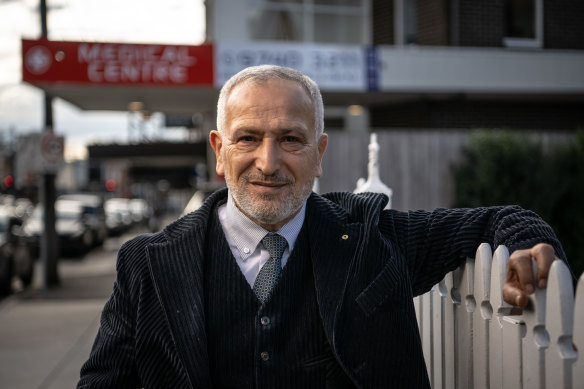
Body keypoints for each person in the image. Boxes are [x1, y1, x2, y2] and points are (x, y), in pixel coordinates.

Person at [78, 65, 568, 388]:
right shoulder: (147, 265)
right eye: (247, 138)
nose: (268, 163)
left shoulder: (372, 235)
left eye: (291, 139)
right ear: (219, 153)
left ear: (320, 155)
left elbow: (503, 218)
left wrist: (531, 248)